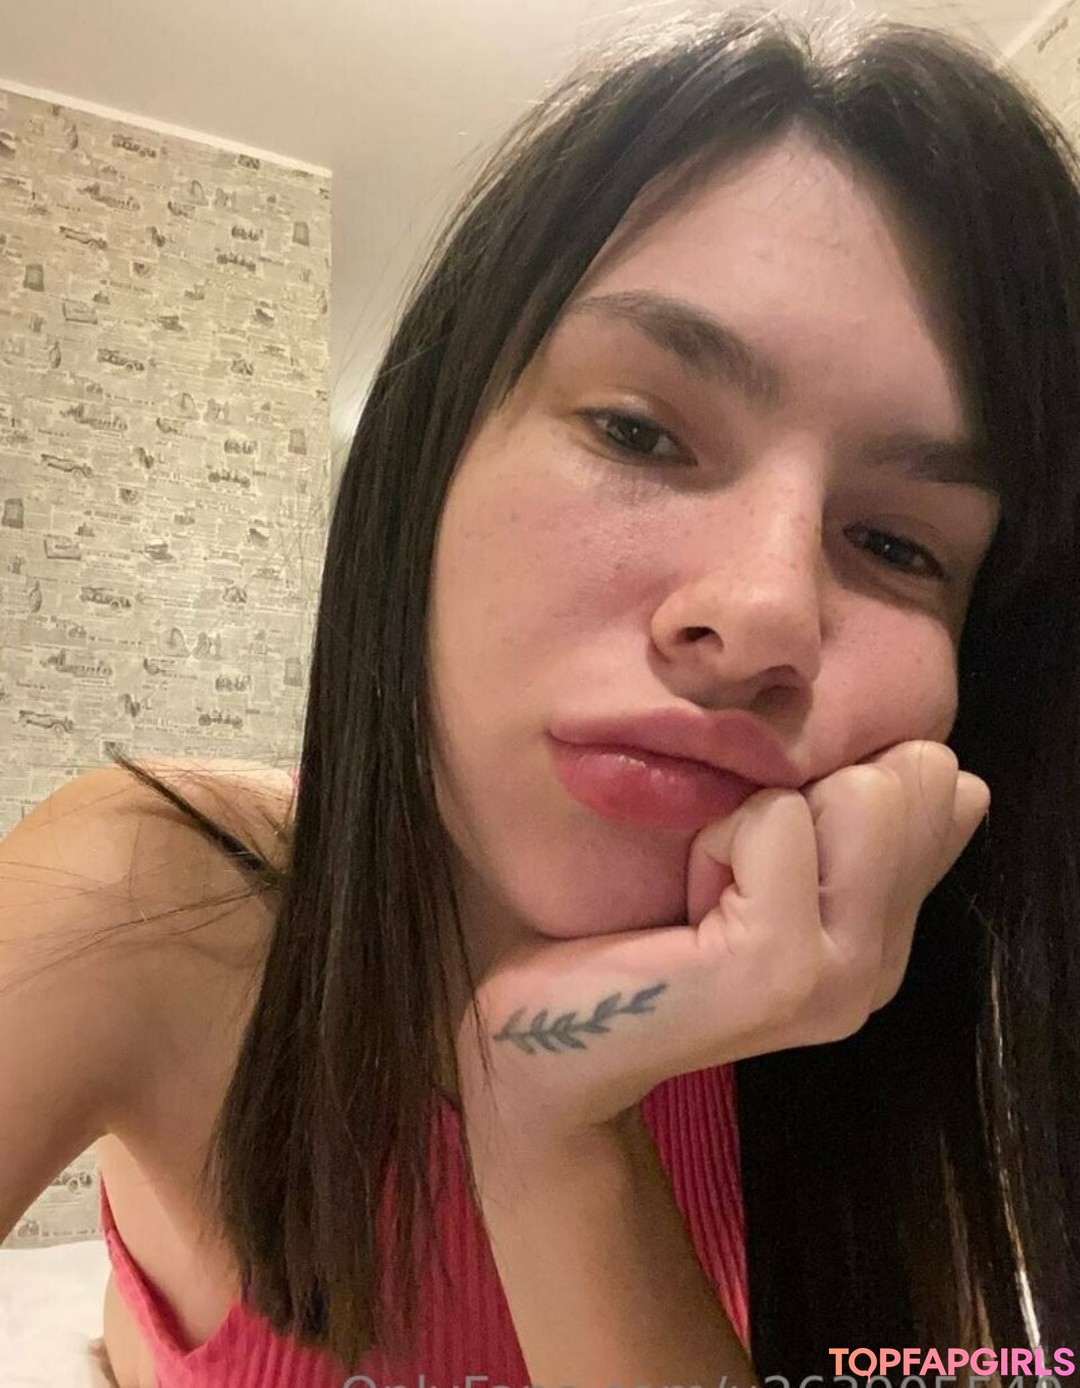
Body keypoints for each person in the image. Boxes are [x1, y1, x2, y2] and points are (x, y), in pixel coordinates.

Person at [2, 8, 1078, 1386]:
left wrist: (556, 1119)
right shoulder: (148, 895)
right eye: (638, 431)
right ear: (424, 468)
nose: (762, 613)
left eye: (897, 544)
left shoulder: (866, 1007)